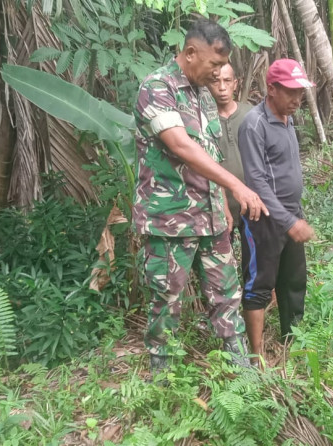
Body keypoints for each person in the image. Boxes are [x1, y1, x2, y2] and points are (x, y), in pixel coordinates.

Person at [133, 19, 269, 376]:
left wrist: (223, 204)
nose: (217, 72)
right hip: (169, 220)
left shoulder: (203, 94)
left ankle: (243, 373)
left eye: (222, 67)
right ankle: (163, 380)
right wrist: (238, 187)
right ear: (190, 53)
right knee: (166, 300)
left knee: (227, 294)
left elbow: (212, 153)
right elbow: (181, 145)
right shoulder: (157, 87)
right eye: (212, 64)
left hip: (211, 217)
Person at [237, 59, 316, 364]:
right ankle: (256, 357)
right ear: (271, 89)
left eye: (300, 92)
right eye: (290, 92)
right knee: (259, 284)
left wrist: (296, 213)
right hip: (265, 221)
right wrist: (287, 221)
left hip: (290, 215)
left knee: (293, 281)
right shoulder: (254, 125)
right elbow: (257, 181)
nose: (297, 99)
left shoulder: (287, 118)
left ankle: (291, 341)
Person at [208, 63, 253, 232]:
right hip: (217, 205)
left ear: (236, 83)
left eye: (227, 81)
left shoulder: (252, 115)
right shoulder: (202, 120)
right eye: (215, 81)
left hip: (251, 202)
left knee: (254, 256)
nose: (222, 88)